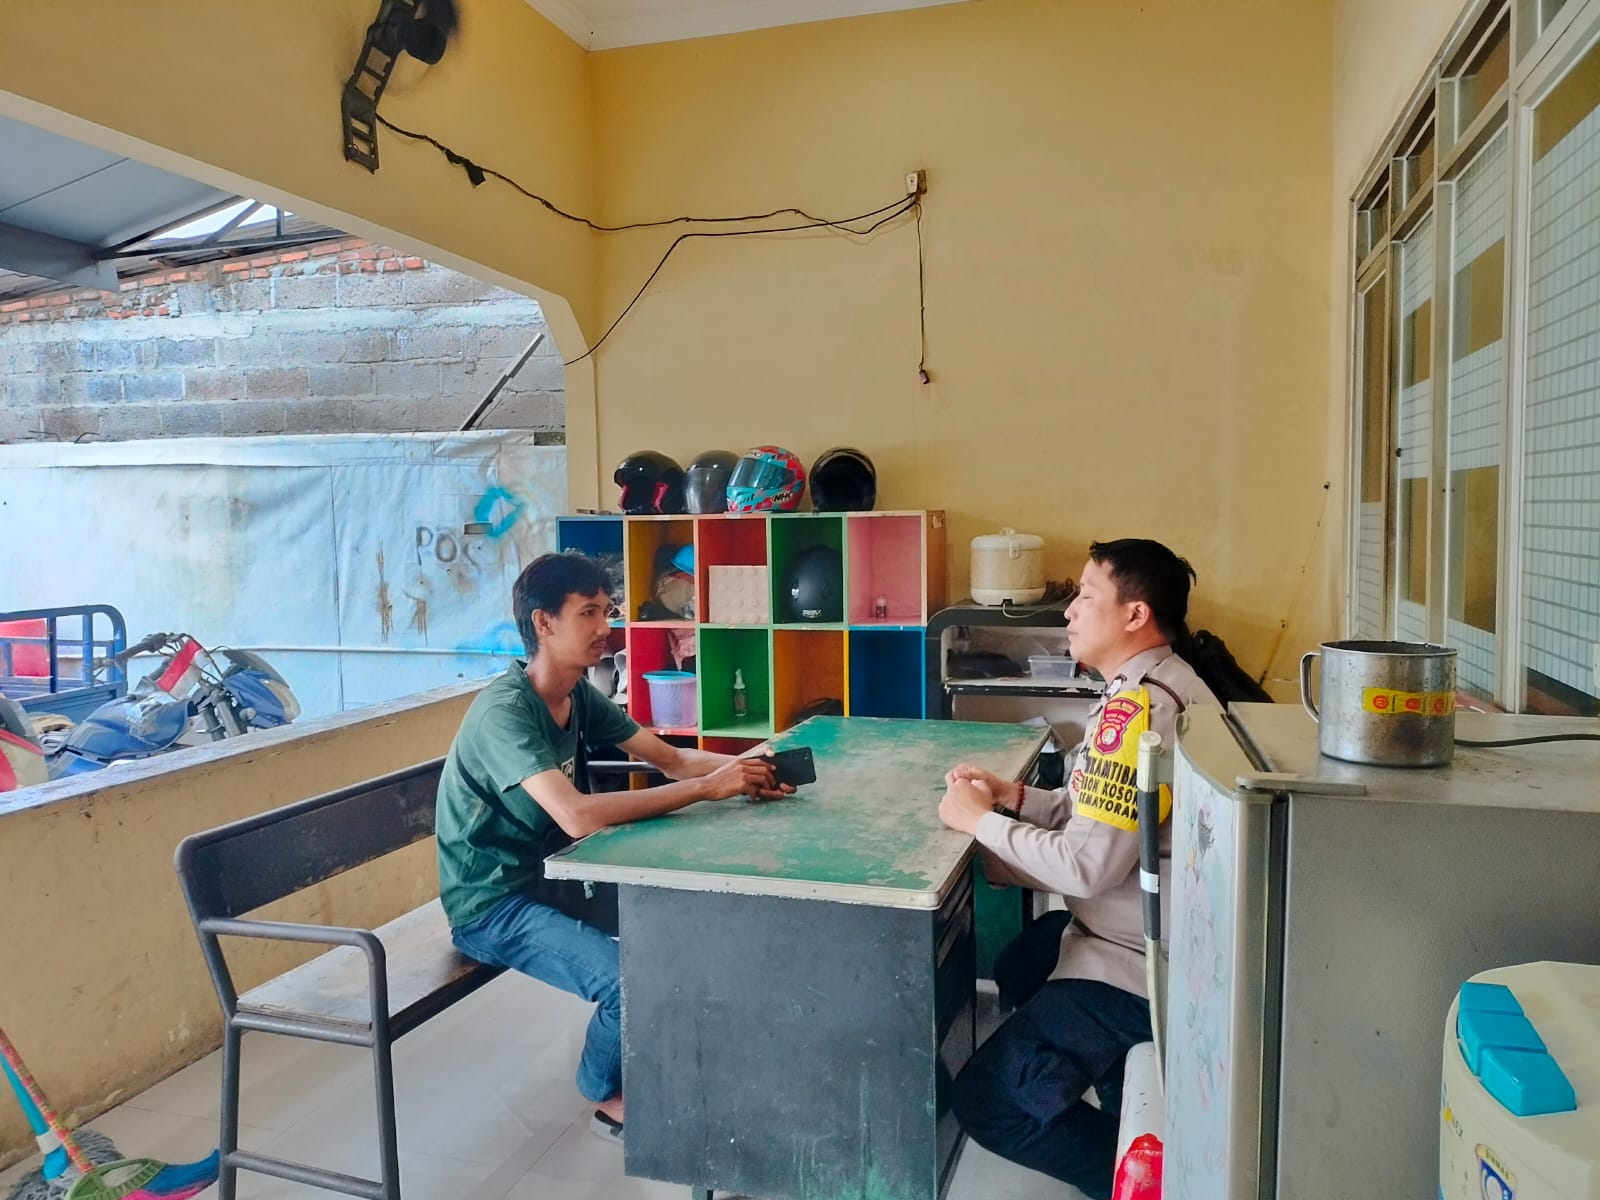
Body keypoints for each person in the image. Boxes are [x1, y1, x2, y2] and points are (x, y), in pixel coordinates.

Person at [435, 551, 789, 1144]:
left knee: (686, 920)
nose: (607, 626)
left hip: (556, 875)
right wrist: (707, 789)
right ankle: (605, 1093)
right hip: (492, 902)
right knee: (627, 981)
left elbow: (672, 760)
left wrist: (751, 767)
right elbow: (576, 816)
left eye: (608, 610)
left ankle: (682, 1053)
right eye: (589, 613)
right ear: (543, 622)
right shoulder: (505, 712)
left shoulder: (577, 693)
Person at [937, 538, 1218, 1199]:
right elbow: (1093, 807)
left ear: (1135, 615)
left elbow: (1086, 867)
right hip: (1138, 930)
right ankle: (1107, 1085)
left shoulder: (1140, 709)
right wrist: (1012, 798)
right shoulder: (1152, 684)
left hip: (1144, 959)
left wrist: (978, 823)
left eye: (1087, 596)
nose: (1069, 611)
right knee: (1019, 963)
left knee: (987, 1101)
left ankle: (1146, 1182)